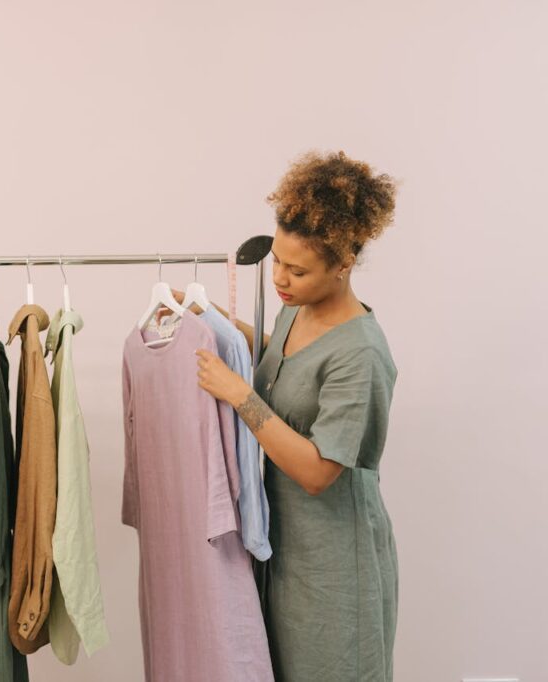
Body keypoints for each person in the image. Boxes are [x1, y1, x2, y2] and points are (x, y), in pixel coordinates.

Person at [189, 151, 399, 681]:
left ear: (344, 263)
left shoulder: (361, 355)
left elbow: (316, 471)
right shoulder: (296, 307)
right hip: (285, 552)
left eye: (297, 269)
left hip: (335, 563)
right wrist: (210, 321)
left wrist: (241, 397)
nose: (279, 277)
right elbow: (282, 362)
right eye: (277, 259)